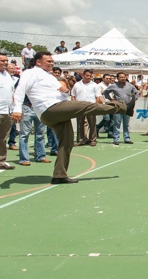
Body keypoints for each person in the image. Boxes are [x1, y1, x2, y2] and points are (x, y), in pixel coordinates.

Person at [11, 52, 132, 183]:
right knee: (86, 106)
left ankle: (59, 175)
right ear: (38, 62)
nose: (51, 63)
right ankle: (123, 107)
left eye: (52, 61)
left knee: (67, 142)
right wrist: (17, 109)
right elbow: (20, 89)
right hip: (50, 108)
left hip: (56, 110)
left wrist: (65, 90)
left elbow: (63, 92)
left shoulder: (50, 77)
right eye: (48, 61)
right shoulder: (30, 73)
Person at [17, 60, 50, 166]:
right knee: (24, 134)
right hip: (27, 107)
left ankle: (40, 156)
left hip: (39, 108)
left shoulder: (44, 78)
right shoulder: (24, 78)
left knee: (40, 134)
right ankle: (24, 158)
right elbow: (18, 92)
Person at [104, 73, 138, 146]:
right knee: (116, 124)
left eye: (124, 77)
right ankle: (116, 139)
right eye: (121, 77)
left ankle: (127, 138)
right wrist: (111, 99)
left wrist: (133, 100)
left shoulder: (130, 85)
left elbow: (136, 92)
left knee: (126, 124)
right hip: (118, 106)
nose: (123, 78)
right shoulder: (113, 86)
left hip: (127, 107)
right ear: (118, 78)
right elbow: (105, 92)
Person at [71, 69, 101, 147]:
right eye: (87, 75)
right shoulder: (77, 84)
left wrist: (95, 106)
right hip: (79, 106)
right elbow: (73, 95)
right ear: (83, 75)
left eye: (90, 76)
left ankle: (93, 140)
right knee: (80, 124)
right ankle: (81, 140)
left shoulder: (95, 85)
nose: (88, 77)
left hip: (90, 106)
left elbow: (98, 97)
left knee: (92, 124)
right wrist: (74, 104)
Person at [0, 53, 15, 170]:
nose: (5, 63)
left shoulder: (7, 76)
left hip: (7, 111)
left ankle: (1, 161)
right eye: (2, 61)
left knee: (3, 138)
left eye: (6, 60)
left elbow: (12, 93)